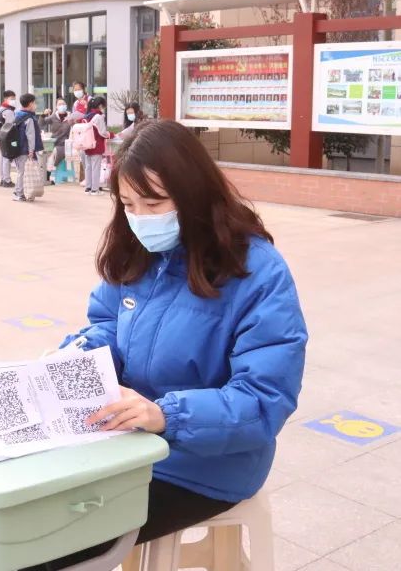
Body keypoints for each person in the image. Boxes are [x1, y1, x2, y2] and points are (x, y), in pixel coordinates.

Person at [24, 120, 306, 570]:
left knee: (45, 545)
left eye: (154, 203)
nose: (141, 218)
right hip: (128, 442)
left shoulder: (257, 273)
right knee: (16, 512)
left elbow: (265, 402)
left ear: (195, 195)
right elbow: (107, 326)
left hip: (207, 465)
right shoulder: (137, 250)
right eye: (129, 204)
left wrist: (166, 415)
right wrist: (76, 359)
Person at [11, 93, 42, 202]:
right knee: (23, 172)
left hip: (17, 148)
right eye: (34, 103)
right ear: (30, 104)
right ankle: (19, 193)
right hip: (25, 149)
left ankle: (20, 192)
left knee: (21, 171)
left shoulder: (17, 114)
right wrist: (31, 150)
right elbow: (31, 136)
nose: (35, 105)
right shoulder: (29, 118)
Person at [83, 95, 112, 195]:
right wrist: (111, 134)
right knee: (96, 167)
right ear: (100, 105)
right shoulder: (98, 117)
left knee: (88, 167)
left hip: (87, 145)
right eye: (103, 106)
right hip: (96, 145)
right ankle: (95, 189)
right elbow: (103, 132)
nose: (104, 108)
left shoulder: (87, 116)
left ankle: (88, 188)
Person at [45, 99, 73, 184]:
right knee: (46, 153)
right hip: (54, 142)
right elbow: (41, 123)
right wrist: (44, 114)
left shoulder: (70, 117)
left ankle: (48, 174)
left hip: (66, 144)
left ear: (66, 106)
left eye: (63, 104)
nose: (62, 106)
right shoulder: (53, 117)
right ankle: (47, 174)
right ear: (56, 107)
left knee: (54, 152)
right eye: (59, 104)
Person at [0, 90, 17, 188]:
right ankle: (7, 180)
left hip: (1, 137)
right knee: (7, 158)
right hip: (8, 138)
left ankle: (3, 179)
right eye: (12, 99)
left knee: (2, 159)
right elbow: (11, 126)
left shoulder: (0, 109)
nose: (14, 101)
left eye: (14, 99)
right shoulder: (8, 111)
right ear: (6, 99)